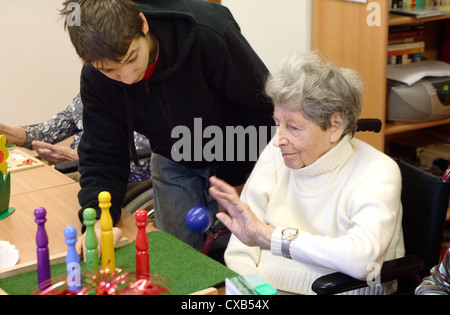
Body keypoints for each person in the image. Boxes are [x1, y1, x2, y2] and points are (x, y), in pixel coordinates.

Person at [60, 0, 273, 251]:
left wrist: (234, 176)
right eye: (110, 70)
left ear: (142, 23)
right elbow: (102, 152)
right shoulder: (96, 78)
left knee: (242, 251)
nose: (128, 78)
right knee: (179, 254)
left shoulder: (210, 32)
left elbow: (259, 108)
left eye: (132, 58)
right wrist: (97, 218)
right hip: (173, 159)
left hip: (238, 150)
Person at [208, 51, 405, 295]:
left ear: (335, 126)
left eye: (293, 127)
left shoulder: (378, 171)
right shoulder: (277, 152)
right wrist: (258, 292)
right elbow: (242, 247)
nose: (279, 140)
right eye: (277, 123)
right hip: (265, 289)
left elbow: (363, 261)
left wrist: (270, 237)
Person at [0, 93, 151, 183]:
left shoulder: (140, 96)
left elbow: (144, 161)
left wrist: (82, 158)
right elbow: (46, 132)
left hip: (103, 176)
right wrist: (4, 130)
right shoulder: (91, 90)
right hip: (72, 168)